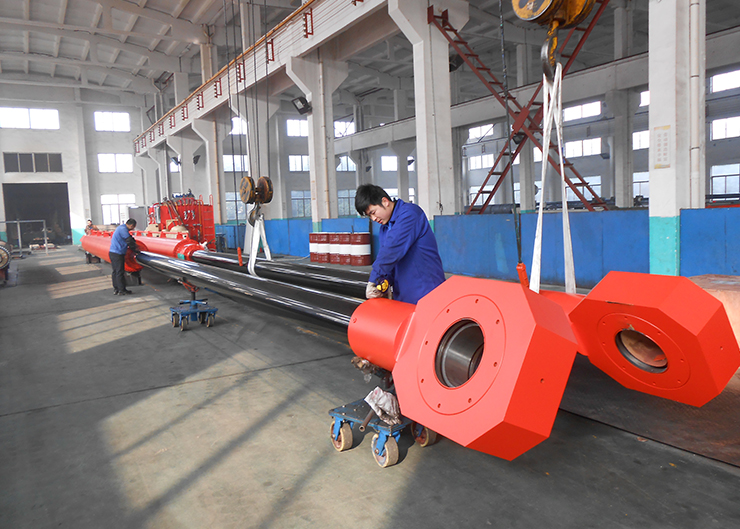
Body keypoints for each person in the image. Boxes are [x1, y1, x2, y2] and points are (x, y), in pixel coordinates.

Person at [355, 184, 445, 304]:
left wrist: (374, 278)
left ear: (385, 201)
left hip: (426, 291)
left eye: (373, 212)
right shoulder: (384, 228)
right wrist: (383, 282)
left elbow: (392, 249)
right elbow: (389, 261)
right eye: (369, 216)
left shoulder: (410, 214)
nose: (373, 219)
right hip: (404, 294)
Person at [109, 219, 138, 295]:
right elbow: (129, 240)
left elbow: (130, 238)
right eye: (133, 227)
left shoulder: (121, 227)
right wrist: (135, 250)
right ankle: (122, 290)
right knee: (120, 272)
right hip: (118, 253)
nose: (133, 229)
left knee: (115, 272)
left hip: (113, 252)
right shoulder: (123, 229)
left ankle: (116, 289)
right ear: (131, 225)